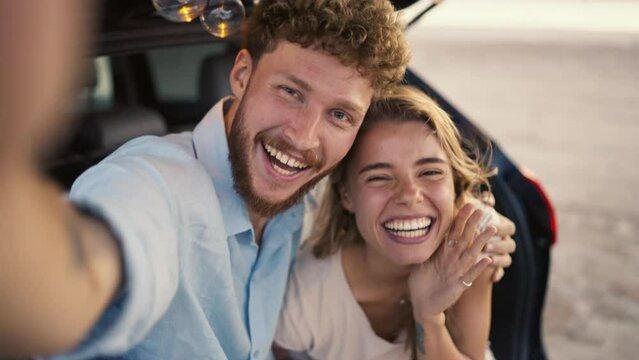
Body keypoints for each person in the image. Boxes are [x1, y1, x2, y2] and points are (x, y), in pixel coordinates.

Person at [0, 0, 411, 359]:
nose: (303, 138)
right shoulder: (151, 184)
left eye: (340, 115)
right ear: (242, 75)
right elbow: (78, 278)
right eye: (291, 92)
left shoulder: (308, 205)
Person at [274, 86, 514, 359]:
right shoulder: (307, 294)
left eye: (430, 172)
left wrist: (429, 316)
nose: (410, 195)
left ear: (454, 185)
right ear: (347, 196)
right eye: (379, 177)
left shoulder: (469, 247)